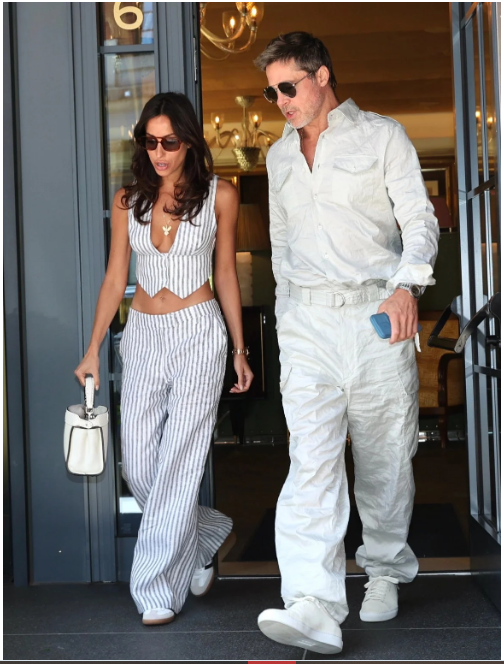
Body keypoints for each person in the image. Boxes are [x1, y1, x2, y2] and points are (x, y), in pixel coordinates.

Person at [253, 32, 439, 654]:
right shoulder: (279, 157)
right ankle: (312, 602)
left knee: (386, 457)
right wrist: (286, 319)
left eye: (288, 87)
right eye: (271, 91)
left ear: (322, 76)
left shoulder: (383, 137)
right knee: (311, 460)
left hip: (374, 316)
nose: (280, 100)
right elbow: (281, 248)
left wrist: (407, 287)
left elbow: (419, 221)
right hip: (307, 324)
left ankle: (383, 568)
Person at [74, 92, 253, 625]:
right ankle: (208, 533)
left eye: (169, 142)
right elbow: (115, 280)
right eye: (149, 143)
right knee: (139, 463)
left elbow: (225, 273)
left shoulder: (220, 195)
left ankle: (154, 588)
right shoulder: (128, 201)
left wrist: (240, 350)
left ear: (189, 142)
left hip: (199, 333)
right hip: (144, 334)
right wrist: (93, 348)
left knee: (179, 460)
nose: (159, 153)